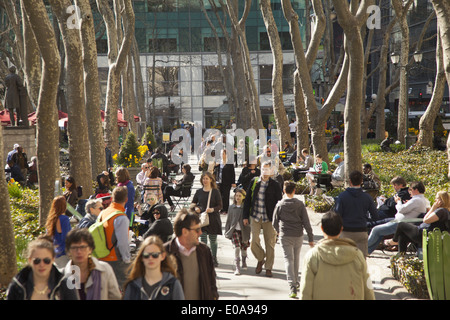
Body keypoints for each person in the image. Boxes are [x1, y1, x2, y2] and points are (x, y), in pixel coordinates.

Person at [298, 211, 375, 300]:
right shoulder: (357, 255)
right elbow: (367, 287)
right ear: (341, 229)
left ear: (322, 228)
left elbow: (306, 291)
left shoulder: (313, 255)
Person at [164, 209, 219, 300]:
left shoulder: (204, 251)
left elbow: (211, 281)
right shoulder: (164, 253)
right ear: (185, 232)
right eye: (197, 230)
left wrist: (214, 296)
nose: (200, 233)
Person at [272, 181, 314, 298]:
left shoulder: (280, 205)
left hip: (285, 234)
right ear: (294, 191)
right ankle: (295, 282)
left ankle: (292, 285)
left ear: (284, 191)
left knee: (288, 260)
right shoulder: (300, 205)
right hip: (298, 234)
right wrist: (310, 237)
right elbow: (306, 222)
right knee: (295, 259)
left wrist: (278, 231)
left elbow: (274, 221)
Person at [6, 236, 78, 300]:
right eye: (37, 261)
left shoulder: (64, 284)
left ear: (53, 260)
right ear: (30, 260)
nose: (42, 265)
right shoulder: (17, 285)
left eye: (46, 261)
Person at [243, 160, 283, 277]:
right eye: (263, 169)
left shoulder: (275, 184)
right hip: (255, 216)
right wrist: (245, 216)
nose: (265, 171)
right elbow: (248, 200)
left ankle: (268, 267)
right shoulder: (254, 182)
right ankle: (261, 258)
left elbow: (279, 203)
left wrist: (278, 221)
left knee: (270, 244)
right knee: (253, 242)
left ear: (271, 171)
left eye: (267, 169)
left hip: (269, 218)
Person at [367, 181, 429, 255]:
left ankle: (362, 250)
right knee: (379, 231)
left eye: (410, 189)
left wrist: (398, 201)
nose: (409, 192)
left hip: (401, 223)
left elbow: (401, 209)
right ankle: (367, 251)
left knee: (376, 230)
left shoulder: (416, 200)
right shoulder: (421, 199)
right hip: (400, 221)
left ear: (416, 190)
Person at [63, 228, 121, 300]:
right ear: (68, 251)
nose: (79, 252)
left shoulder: (104, 269)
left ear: (90, 249)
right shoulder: (63, 275)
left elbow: (115, 297)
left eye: (82, 247)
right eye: (74, 248)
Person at [124, 235, 185, 300]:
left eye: (155, 255)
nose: (150, 258)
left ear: (162, 256)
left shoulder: (172, 284)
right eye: (146, 255)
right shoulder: (133, 286)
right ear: (141, 257)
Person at [334, 170, 378, 258]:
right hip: (361, 230)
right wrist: (366, 221)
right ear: (361, 181)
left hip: (345, 231)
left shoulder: (342, 196)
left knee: (344, 260)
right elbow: (375, 216)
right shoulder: (367, 197)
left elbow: (337, 215)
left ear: (350, 181)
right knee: (360, 261)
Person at [98, 186, 131, 288]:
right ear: (126, 199)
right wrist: (127, 259)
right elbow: (122, 242)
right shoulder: (121, 216)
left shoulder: (104, 212)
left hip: (101, 255)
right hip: (115, 258)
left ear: (112, 198)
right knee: (125, 288)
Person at [191, 171, 222, 267]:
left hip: (213, 219)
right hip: (202, 219)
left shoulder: (215, 192)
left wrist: (212, 209)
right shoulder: (199, 192)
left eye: (207, 179)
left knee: (213, 240)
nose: (205, 180)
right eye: (203, 179)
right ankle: (204, 258)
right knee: (203, 239)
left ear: (211, 180)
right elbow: (193, 203)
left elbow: (220, 205)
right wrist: (196, 208)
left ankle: (214, 257)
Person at [224, 188, 251, 275]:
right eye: (236, 196)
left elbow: (249, 220)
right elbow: (228, 220)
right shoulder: (231, 207)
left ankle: (243, 261)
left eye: (240, 196)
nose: (238, 197)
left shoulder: (245, 208)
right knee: (237, 247)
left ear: (243, 197)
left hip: (244, 231)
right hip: (234, 230)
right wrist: (227, 230)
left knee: (244, 248)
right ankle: (237, 266)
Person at [45, 196, 72, 268]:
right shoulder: (64, 219)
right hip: (64, 252)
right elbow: (66, 237)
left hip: (54, 252)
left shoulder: (50, 219)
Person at [214, 149, 236, 214]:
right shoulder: (218, 162)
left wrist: (233, 182)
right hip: (219, 181)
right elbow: (215, 171)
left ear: (227, 155)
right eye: (221, 154)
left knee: (226, 196)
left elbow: (233, 173)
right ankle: (221, 208)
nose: (222, 155)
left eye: (223, 154)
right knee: (220, 196)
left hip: (227, 182)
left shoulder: (229, 163)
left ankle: (226, 209)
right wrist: (215, 166)